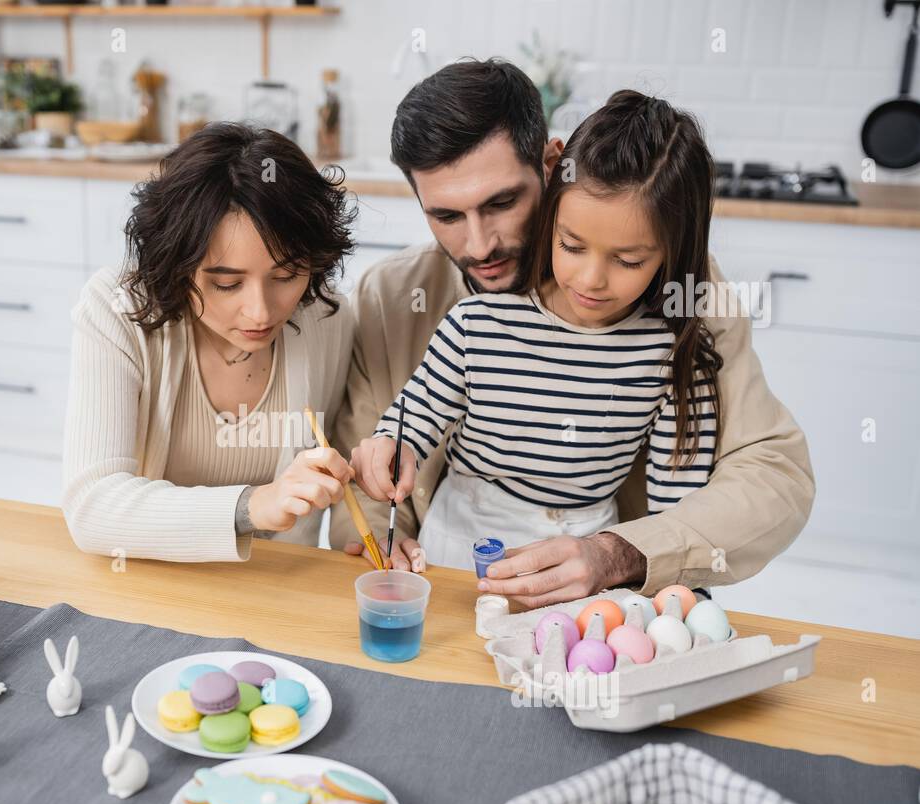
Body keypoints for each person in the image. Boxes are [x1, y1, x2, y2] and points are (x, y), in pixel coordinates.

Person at [332, 59, 814, 607]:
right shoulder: (390, 298)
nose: (481, 244)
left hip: (606, 597)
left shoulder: (683, 297)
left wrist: (626, 553)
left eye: (502, 202)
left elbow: (774, 477)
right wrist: (380, 544)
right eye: (446, 215)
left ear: (552, 163)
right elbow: (365, 464)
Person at [62, 123, 357, 562]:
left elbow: (346, 467)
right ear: (177, 266)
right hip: (148, 583)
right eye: (226, 284)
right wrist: (253, 506)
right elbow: (93, 507)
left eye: (286, 276)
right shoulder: (117, 308)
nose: (261, 312)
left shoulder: (325, 316)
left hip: (277, 590)